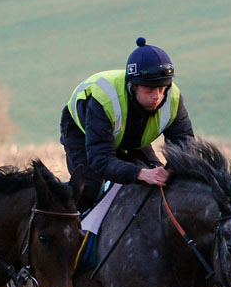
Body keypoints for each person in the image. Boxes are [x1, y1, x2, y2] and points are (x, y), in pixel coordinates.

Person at [60, 36, 194, 211]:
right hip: (83, 132)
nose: (157, 97)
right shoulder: (105, 100)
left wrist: (170, 169)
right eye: (149, 89)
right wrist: (140, 173)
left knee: (160, 181)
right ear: (133, 86)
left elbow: (185, 146)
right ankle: (79, 233)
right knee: (91, 189)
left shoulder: (173, 98)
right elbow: (101, 159)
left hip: (129, 134)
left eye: (162, 89)